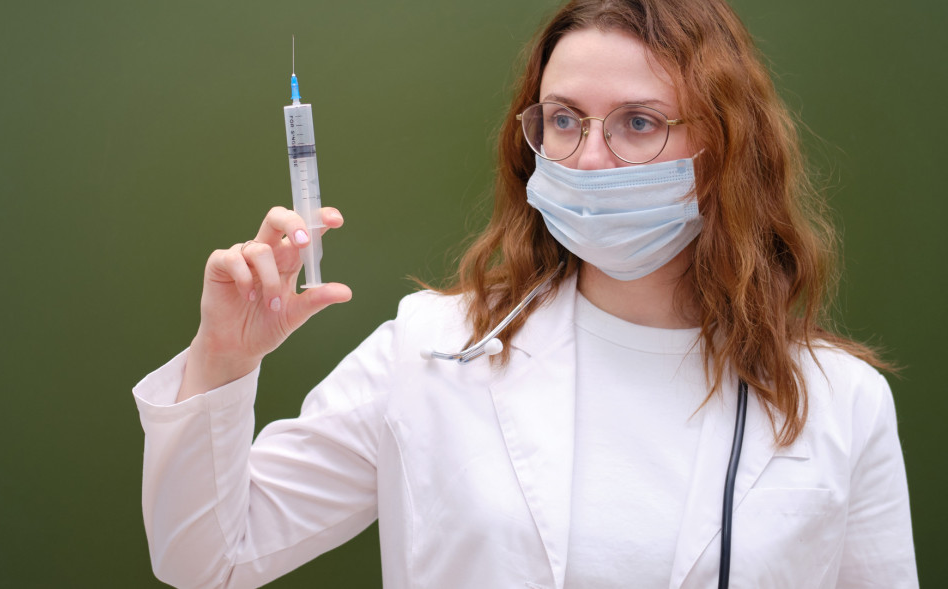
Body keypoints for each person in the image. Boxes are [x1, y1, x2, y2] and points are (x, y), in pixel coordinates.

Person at [133, 0, 918, 587]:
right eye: (565, 120)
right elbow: (207, 559)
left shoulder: (844, 403)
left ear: (722, 149)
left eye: (638, 123)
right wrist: (221, 361)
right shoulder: (430, 349)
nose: (590, 158)